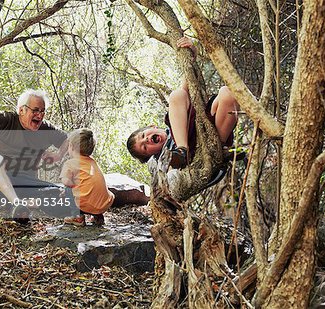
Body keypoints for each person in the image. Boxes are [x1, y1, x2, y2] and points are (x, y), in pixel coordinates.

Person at [127, 37, 240, 169]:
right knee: (178, 95)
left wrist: (191, 54)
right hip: (196, 153)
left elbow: (186, 87)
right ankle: (184, 152)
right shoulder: (165, 162)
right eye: (145, 147)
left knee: (227, 93)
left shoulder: (174, 123)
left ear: (153, 126)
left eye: (143, 135)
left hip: (215, 132)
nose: (146, 140)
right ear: (152, 155)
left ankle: (219, 148)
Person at [0, 89, 68, 223]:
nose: (40, 115)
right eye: (36, 110)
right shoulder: (5, 120)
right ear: (22, 110)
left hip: (26, 184)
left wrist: (59, 154)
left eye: (42, 111)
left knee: (62, 193)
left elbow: (70, 139)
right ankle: (16, 204)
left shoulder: (46, 129)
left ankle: (23, 205)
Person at [59, 128, 115, 227]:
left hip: (85, 205)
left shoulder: (70, 163)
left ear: (71, 146)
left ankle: (77, 217)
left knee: (68, 188)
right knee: (90, 188)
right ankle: (98, 216)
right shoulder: (93, 161)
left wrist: (69, 190)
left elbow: (66, 182)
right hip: (104, 204)